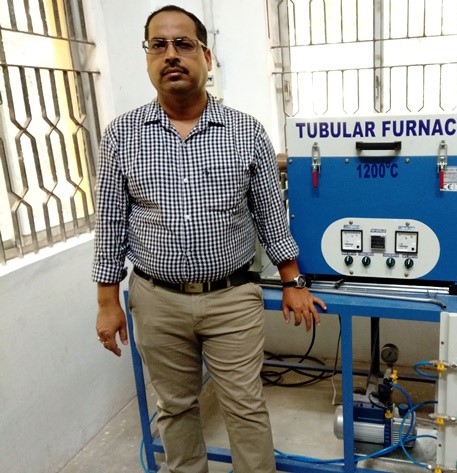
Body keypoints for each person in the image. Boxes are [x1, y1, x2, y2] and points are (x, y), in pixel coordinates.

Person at [91, 5, 326, 473]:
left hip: (232, 297)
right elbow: (112, 222)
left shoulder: (245, 131)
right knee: (175, 408)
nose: (171, 54)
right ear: (147, 58)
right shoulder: (122, 135)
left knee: (245, 408)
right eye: (159, 45)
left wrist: (293, 281)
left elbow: (270, 215)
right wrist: (106, 300)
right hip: (156, 300)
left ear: (206, 55)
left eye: (183, 44)